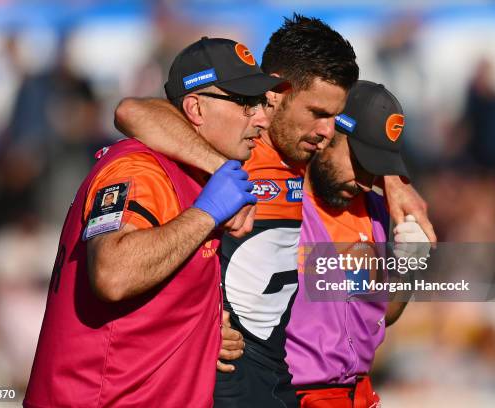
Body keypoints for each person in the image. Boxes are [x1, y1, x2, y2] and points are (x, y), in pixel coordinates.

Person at [115, 15, 435, 407]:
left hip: (306, 390)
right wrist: (222, 171)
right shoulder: (237, 148)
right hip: (249, 388)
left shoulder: (316, 167)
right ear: (275, 93)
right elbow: (132, 112)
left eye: (334, 118)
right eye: (318, 113)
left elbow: (380, 312)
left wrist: (398, 188)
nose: (326, 131)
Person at [24, 37, 283, 407]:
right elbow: (113, 275)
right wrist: (206, 214)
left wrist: (203, 330)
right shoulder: (140, 168)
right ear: (195, 107)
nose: (261, 117)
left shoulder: (202, 174)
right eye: (245, 103)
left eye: (260, 102)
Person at [286, 80, 430, 407]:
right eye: (360, 162)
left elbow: (380, 314)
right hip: (296, 396)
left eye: (376, 169)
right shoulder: (280, 204)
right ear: (325, 135)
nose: (365, 180)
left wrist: (409, 266)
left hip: (360, 395)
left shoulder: (376, 210)